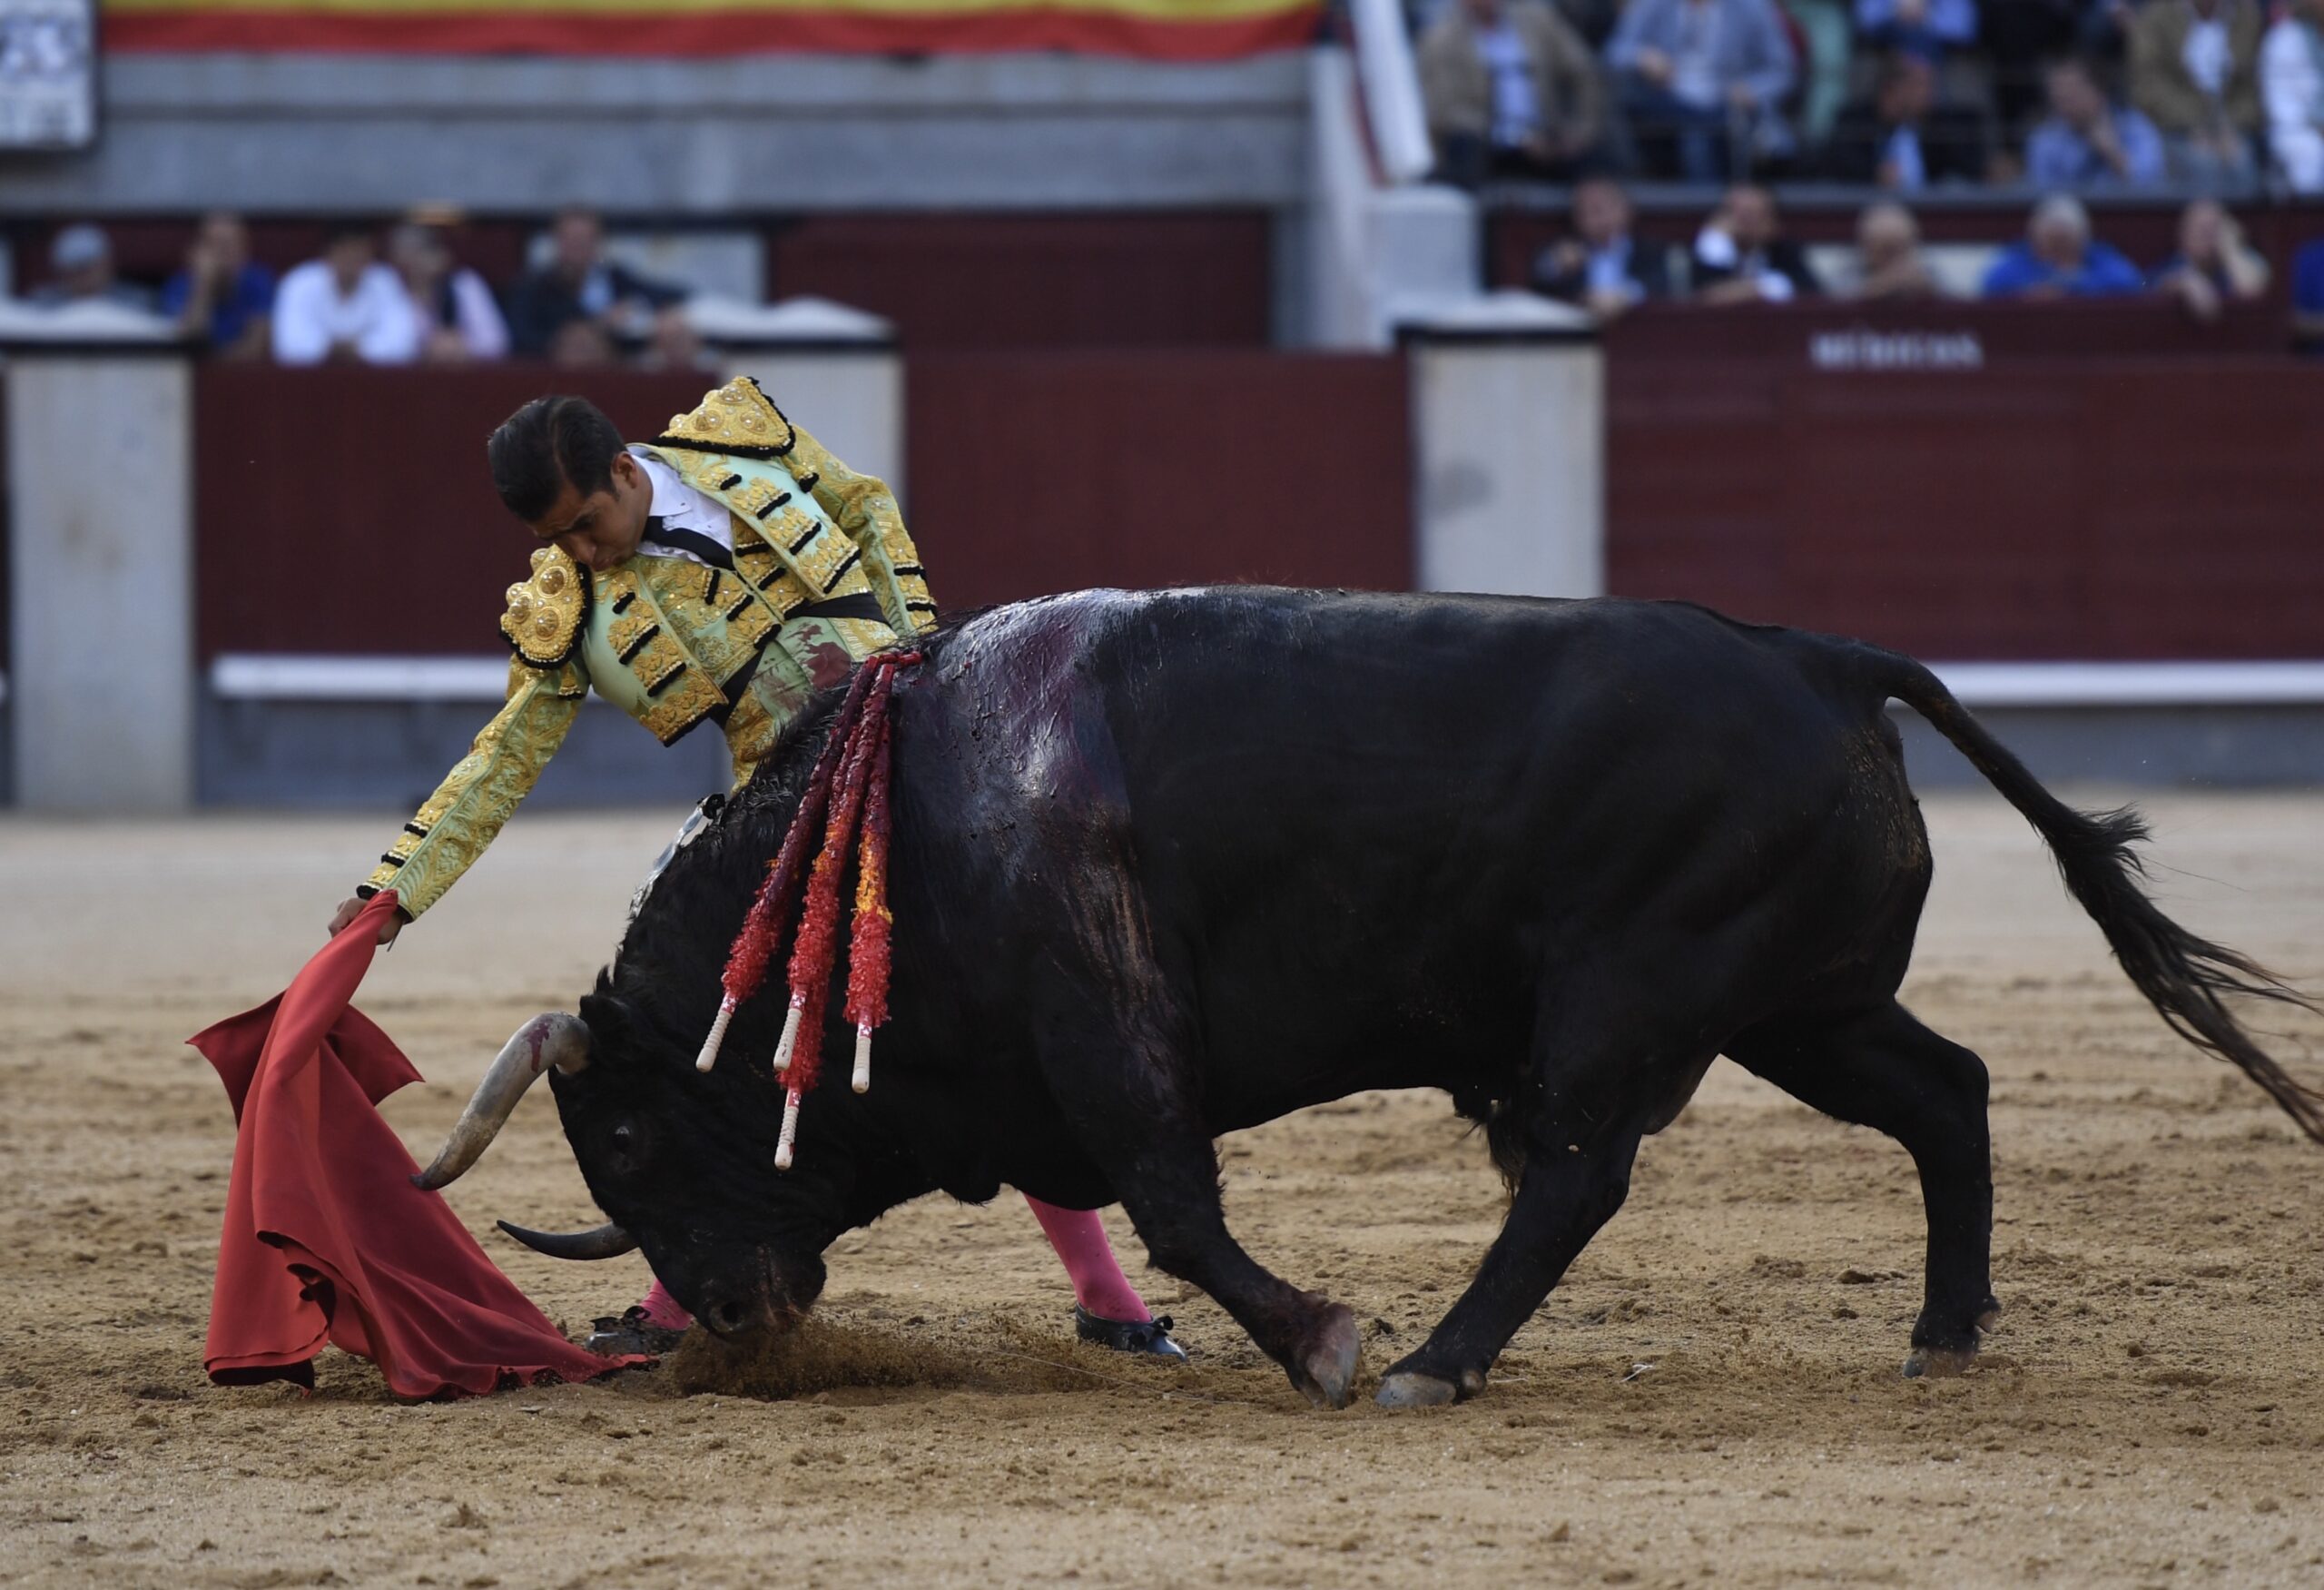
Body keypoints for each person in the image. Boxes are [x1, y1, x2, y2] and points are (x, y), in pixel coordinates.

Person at [326, 379, 1187, 1365]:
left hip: (940, 775)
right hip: (789, 829)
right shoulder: (570, 609)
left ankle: (1104, 1292)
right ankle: (673, 1296)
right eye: (558, 541)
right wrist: (399, 886)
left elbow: (863, 501)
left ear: (622, 470)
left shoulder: (740, 444)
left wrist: (925, 647)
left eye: (587, 525)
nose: (581, 554)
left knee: (1005, 1015)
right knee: (725, 1046)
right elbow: (502, 756)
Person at [1606, 0, 1798, 183]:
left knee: (1698, 134)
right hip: (1666, 99)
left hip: (1725, 102)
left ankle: (1699, 203)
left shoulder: (1752, 6)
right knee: (1693, 127)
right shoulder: (1654, 4)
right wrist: (1642, 56)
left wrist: (1752, 89)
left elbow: (1783, 69)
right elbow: (1615, 52)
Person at [1418, 0, 1606, 186]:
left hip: (1549, 137)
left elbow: (1584, 71)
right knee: (1463, 146)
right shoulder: (1440, 40)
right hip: (1485, 143)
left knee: (1598, 163)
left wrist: (1580, 131)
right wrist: (1515, 138)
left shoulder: (1538, 21)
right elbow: (1445, 112)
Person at [505, 208, 689, 362]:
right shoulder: (533, 287)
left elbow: (666, 294)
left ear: (599, 243)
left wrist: (646, 312)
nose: (577, 247)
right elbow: (521, 337)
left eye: (584, 240)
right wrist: (596, 326)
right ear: (556, 242)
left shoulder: (615, 278)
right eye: (571, 240)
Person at [2127, 0, 2264, 184]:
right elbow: (2147, 86)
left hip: (2234, 127)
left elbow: (2254, 88)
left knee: (2242, 163)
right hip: (2175, 129)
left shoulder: (2247, 17)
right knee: (2205, 167)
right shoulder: (2155, 19)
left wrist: (2228, 128)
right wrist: (2198, 126)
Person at [1821, 51, 1994, 188]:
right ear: (1892, 87)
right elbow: (1840, 166)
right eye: (1921, 85)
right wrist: (1875, 175)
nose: (1930, 93)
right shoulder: (1854, 121)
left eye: (1930, 84)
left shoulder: (1942, 123)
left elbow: (1968, 166)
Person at [271, 223, 420, 366]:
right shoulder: (299, 282)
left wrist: (358, 349)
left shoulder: (386, 281)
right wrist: (330, 349)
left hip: (374, 382)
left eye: (359, 250)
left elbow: (404, 345)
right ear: (328, 253)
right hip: (309, 383)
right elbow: (289, 346)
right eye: (345, 249)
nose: (352, 257)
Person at [1530, 177, 1669, 317]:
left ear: (1626, 210)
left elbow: (1665, 281)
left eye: (1600, 209)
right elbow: (1539, 280)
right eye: (1585, 211)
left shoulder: (1651, 251)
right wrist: (1556, 266)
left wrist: (1625, 296)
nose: (1596, 220)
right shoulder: (1564, 251)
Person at [2024, 56, 2169, 189]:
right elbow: (2042, 196)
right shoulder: (2045, 139)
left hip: (2126, 212)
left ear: (2100, 91)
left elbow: (2152, 184)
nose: (2065, 102)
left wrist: (2112, 153)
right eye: (2059, 96)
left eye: (2073, 92)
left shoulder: (2134, 126)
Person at [388, 221, 509, 363]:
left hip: (463, 376)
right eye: (406, 253)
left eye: (422, 251)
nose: (415, 262)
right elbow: (383, 348)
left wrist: (460, 346)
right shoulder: (388, 288)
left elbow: (495, 343)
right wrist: (426, 348)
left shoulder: (464, 284)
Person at [1979, 193, 2144, 298]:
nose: (2058, 246)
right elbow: (1991, 284)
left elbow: (2131, 282)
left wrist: (2072, 290)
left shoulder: (2101, 257)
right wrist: (2027, 293)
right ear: (2034, 235)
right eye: (2052, 239)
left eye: (2064, 238)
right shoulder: (2017, 258)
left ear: (2083, 236)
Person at [160, 212, 275, 359]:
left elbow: (255, 349)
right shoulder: (178, 286)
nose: (224, 255)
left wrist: (212, 365)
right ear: (197, 252)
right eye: (215, 246)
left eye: (231, 245)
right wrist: (203, 286)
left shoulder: (258, 281)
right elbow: (186, 345)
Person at [1690, 184, 1823, 303]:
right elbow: (1708, 297)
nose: (1741, 223)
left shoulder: (1782, 249)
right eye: (1732, 213)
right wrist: (1716, 240)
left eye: (1751, 215)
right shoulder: (1713, 246)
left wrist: (1749, 289)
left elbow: (1808, 291)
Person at [2151, 196, 2269, 321]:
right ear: (2183, 235)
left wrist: (2231, 250)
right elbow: (2150, 288)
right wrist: (2184, 283)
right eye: (2201, 229)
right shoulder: (2171, 266)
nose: (2209, 237)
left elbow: (2252, 294)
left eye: (2215, 229)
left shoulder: (2244, 259)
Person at [2262, 0, 2324, 192]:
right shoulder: (2284, 38)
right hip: (2299, 129)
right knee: (2311, 154)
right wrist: (2318, 127)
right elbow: (2279, 104)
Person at [29, 223, 155, 311]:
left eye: (86, 267)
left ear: (107, 264)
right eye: (73, 270)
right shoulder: (42, 305)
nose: (81, 277)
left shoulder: (137, 303)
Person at [1852, 200, 1942, 300]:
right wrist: (1881, 285)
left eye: (1898, 247)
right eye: (1885, 249)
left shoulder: (1931, 275)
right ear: (1866, 246)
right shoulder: (1849, 276)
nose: (1891, 258)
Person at [1855, 0, 1977, 64]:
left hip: (1939, 57)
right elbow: (1865, 21)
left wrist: (1926, 15)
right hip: (1886, 53)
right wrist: (1896, 10)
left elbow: (1964, 29)